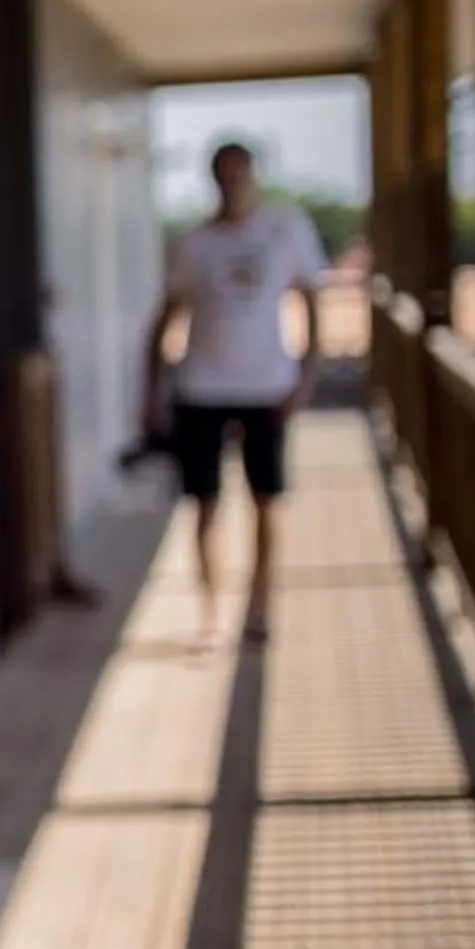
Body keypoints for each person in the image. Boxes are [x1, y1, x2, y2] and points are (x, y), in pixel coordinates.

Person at [141, 141, 325, 648]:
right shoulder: (194, 242)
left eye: (240, 175)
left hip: (267, 385)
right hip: (202, 385)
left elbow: (312, 304)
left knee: (266, 502)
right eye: (224, 176)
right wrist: (152, 391)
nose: (233, 185)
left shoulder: (285, 231)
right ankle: (211, 612)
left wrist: (305, 377)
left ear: (253, 176)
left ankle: (259, 604)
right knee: (204, 504)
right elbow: (165, 318)